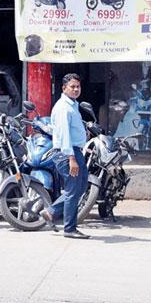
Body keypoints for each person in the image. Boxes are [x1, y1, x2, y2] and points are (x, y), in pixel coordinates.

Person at [42, 73, 91, 240]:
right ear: (64, 88)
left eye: (78, 86)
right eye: (72, 86)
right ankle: (69, 228)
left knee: (82, 187)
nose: (76, 89)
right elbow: (64, 135)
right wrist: (71, 157)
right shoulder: (63, 107)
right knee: (72, 190)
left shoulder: (73, 105)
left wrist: (81, 148)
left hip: (75, 150)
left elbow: (73, 132)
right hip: (67, 153)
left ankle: (52, 211)